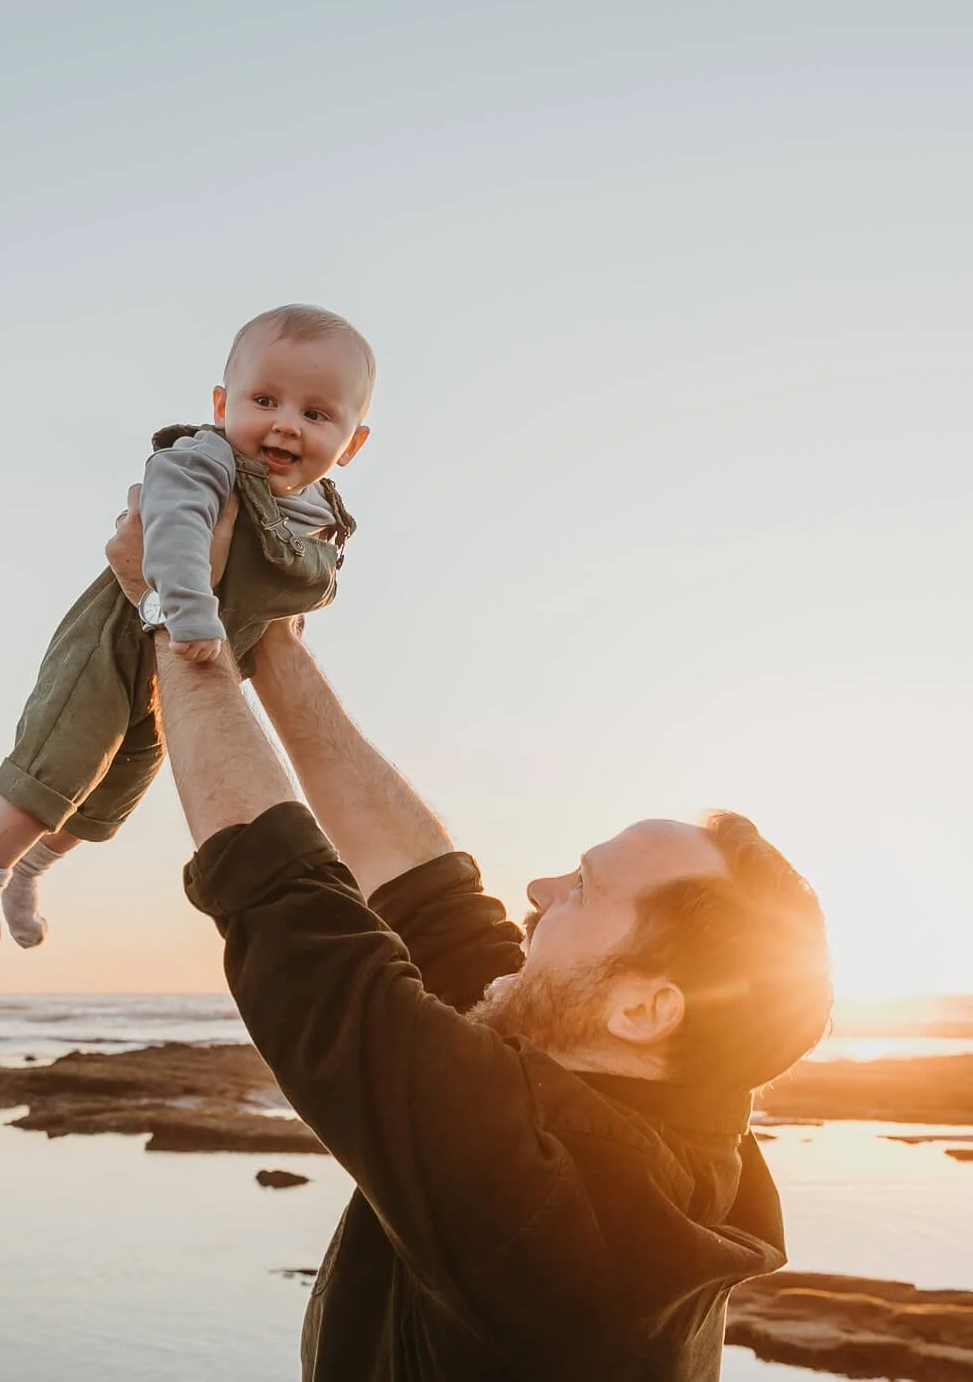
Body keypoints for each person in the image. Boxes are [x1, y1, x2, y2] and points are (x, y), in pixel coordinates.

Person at [101, 500, 835, 1381]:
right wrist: (270, 642)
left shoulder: (550, 1209)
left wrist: (172, 602)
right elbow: (432, 898)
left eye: (583, 889)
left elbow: (296, 923)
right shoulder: (645, 1091)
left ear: (646, 1007)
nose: (537, 891)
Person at [0, 304, 376, 949]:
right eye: (265, 400)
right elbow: (169, 536)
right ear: (223, 404)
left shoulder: (316, 514)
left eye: (315, 414)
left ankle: (30, 868)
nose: (286, 424)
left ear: (352, 444)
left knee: (110, 792)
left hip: (186, 668)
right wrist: (190, 612)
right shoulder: (203, 463)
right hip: (120, 638)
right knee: (58, 760)